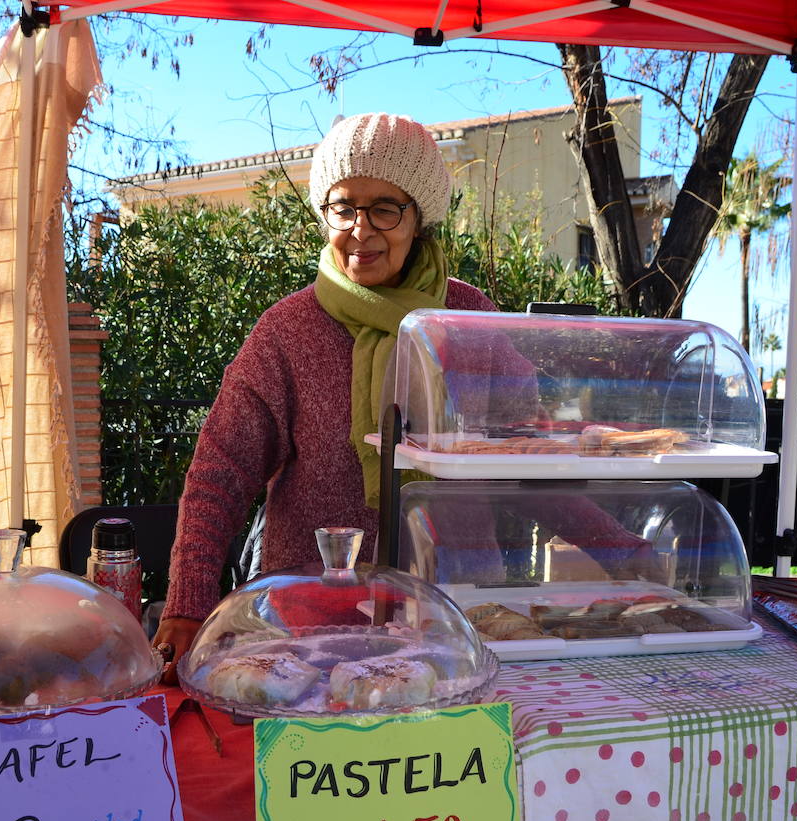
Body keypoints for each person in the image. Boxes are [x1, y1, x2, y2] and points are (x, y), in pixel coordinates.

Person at [151, 112, 657, 678]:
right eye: (343, 207)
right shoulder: (287, 331)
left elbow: (522, 462)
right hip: (310, 629)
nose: (360, 230)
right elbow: (221, 471)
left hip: (459, 620)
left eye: (385, 209)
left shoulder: (471, 321)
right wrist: (189, 606)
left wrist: (618, 548)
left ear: (419, 218)